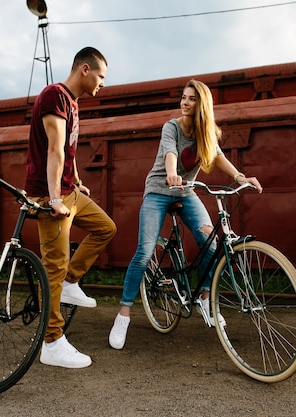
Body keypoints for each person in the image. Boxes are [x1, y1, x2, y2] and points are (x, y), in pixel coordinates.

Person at [108, 79, 263, 350]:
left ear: (202, 104)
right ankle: (123, 314)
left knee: (211, 243)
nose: (184, 102)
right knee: (145, 252)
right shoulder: (172, 126)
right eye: (183, 97)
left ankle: (205, 297)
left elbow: (217, 157)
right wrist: (171, 173)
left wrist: (239, 176)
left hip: (185, 192)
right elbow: (169, 152)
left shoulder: (208, 132)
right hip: (158, 190)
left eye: (191, 98)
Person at [25, 47, 117, 368]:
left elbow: (68, 150)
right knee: (53, 266)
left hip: (68, 191)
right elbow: (54, 149)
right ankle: (52, 342)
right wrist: (53, 201)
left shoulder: (72, 103)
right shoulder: (55, 96)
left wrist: (76, 181)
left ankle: (71, 281)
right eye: (101, 76)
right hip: (49, 196)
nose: (103, 83)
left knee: (106, 227)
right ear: (85, 70)